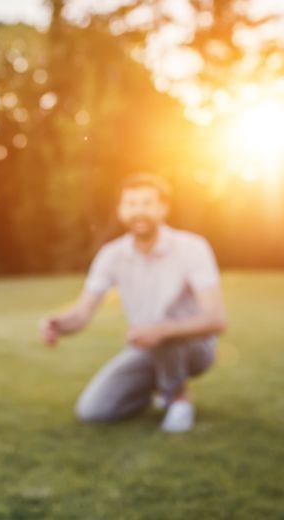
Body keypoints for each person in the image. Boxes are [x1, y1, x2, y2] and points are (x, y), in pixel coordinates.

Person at [39, 173, 226, 432]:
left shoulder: (192, 248)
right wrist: (58, 324)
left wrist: (160, 331)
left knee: (161, 328)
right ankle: (158, 386)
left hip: (196, 349)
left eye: (147, 203)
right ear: (120, 210)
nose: (139, 211)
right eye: (131, 204)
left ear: (163, 208)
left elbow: (216, 320)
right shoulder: (112, 255)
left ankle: (177, 398)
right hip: (146, 348)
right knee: (93, 411)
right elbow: (82, 314)